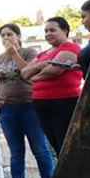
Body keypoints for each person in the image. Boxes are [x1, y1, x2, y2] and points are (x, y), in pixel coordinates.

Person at [0, 23, 53, 178]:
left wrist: (14, 54)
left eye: (9, 34)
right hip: (7, 108)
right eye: (2, 35)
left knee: (40, 148)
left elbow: (27, 73)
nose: (6, 38)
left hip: (30, 106)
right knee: (16, 151)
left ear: (18, 36)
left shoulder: (30, 53)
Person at [21, 17, 83, 155]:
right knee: (55, 144)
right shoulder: (43, 54)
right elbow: (24, 73)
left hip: (64, 102)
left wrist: (35, 76)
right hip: (41, 103)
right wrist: (43, 64)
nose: (48, 33)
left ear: (65, 30)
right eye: (46, 31)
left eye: (52, 30)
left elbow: (53, 71)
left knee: (66, 143)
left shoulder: (71, 48)